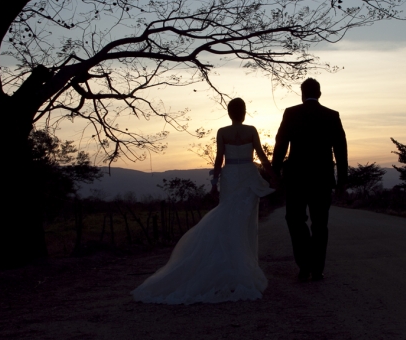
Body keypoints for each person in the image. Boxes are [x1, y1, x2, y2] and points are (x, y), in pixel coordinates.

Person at [131, 98, 276, 304]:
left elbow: (219, 159)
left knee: (228, 220)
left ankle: (232, 265)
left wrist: (214, 183)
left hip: (230, 177)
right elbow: (261, 155)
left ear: (229, 113)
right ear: (243, 112)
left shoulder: (222, 131)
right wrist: (273, 176)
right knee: (244, 222)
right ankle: (241, 268)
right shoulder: (251, 130)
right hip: (247, 177)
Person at [272, 78, 348, 281]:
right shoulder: (332, 116)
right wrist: (342, 181)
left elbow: (281, 145)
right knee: (320, 223)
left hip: (296, 176)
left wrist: (274, 172)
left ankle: (305, 264)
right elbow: (341, 150)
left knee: (295, 219)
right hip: (322, 177)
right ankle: (317, 268)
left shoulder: (291, 113)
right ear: (320, 94)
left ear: (302, 94)